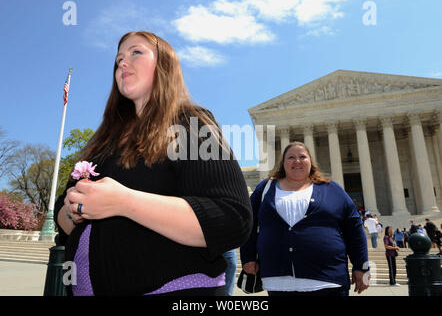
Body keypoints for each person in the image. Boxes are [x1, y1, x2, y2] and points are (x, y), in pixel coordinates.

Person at [53, 31, 253, 296]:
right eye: (119, 59)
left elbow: (232, 218)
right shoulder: (101, 140)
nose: (122, 62)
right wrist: (73, 210)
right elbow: (62, 213)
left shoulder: (192, 122)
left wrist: (122, 202)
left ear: (164, 64)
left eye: (136, 52)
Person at [240, 142, 369, 296]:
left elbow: (354, 228)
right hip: (280, 283)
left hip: (328, 280)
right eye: (291, 157)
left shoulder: (331, 189)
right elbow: (248, 223)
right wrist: (248, 257)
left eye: (302, 157)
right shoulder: (266, 188)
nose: (297, 161)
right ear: (283, 163)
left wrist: (361, 267)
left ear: (310, 161)